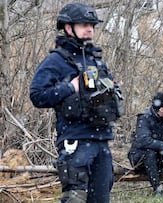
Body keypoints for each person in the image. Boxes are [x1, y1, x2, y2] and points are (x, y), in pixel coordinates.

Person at [29, 2, 123, 203]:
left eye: (92, 25)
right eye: (84, 24)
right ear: (68, 27)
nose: (90, 29)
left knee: (100, 199)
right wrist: (70, 87)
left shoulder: (96, 60)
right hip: (76, 140)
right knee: (75, 198)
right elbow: (37, 95)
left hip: (101, 140)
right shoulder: (56, 60)